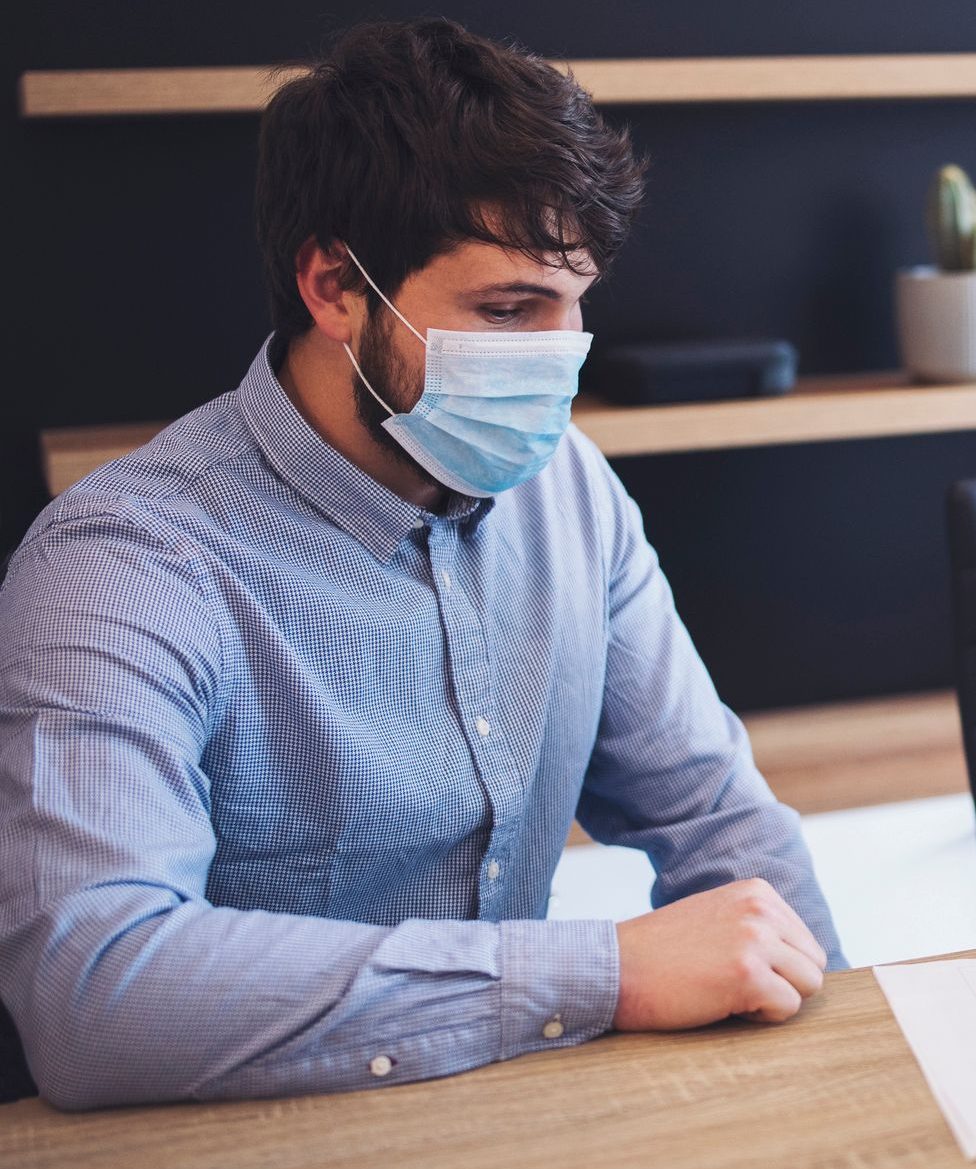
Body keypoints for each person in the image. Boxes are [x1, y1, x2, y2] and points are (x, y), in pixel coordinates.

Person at [0, 19, 839, 1111]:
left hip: (517, 1113)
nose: (557, 358)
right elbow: (96, 993)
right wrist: (602, 971)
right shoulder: (123, 566)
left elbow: (718, 818)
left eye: (574, 306)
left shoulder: (569, 491)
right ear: (335, 286)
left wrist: (844, 1061)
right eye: (508, 309)